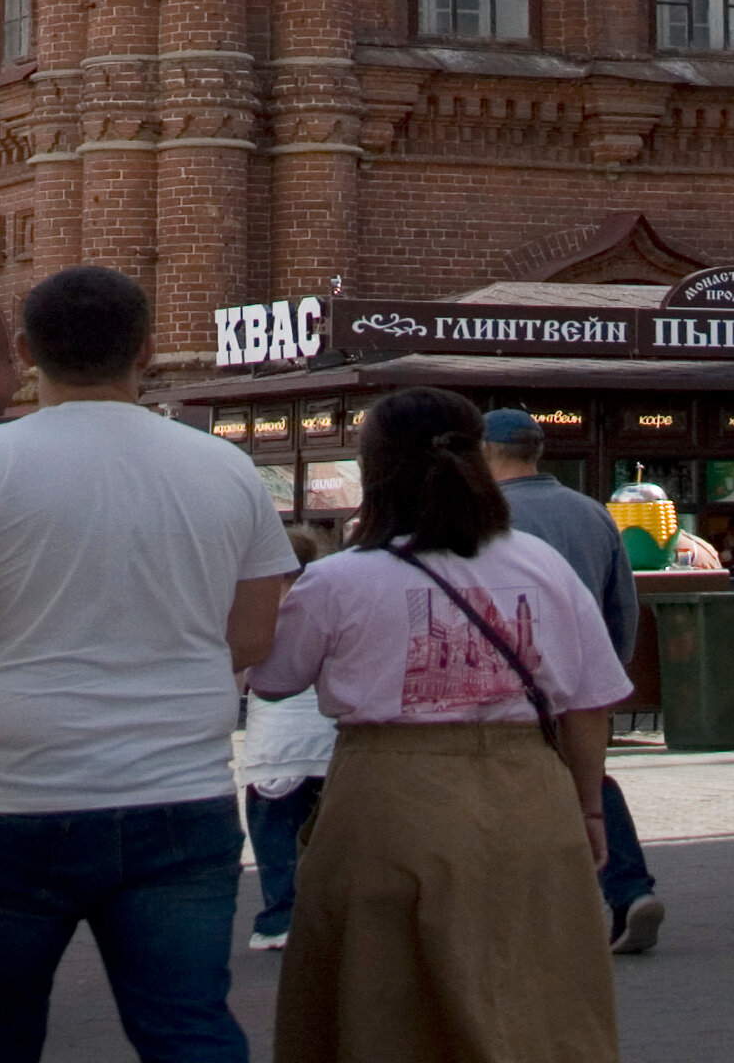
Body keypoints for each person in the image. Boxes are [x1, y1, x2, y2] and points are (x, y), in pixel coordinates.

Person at [0, 261, 294, 1063]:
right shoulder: (226, 468)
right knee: (188, 1031)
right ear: (147, 349)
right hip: (177, 791)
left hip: (3, 794)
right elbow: (251, 638)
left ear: (25, 352)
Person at [246, 386, 625, 1063]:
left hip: (387, 793)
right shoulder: (542, 565)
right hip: (527, 791)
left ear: (376, 470)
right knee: (532, 992)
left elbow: (272, 678)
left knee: (386, 997)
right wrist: (589, 806)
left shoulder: (339, 580)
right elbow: (588, 700)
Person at [479, 409, 662, 958]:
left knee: (507, 789)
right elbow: (622, 600)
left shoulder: (485, 516)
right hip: (583, 676)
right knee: (590, 782)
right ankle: (630, 890)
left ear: (484, 452)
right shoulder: (590, 511)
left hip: (512, 682)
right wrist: (611, 673)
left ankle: (530, 914)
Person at [239, 680, 333, 953]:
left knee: (277, 847)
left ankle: (281, 921)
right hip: (333, 737)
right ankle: (334, 922)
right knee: (334, 847)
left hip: (274, 740)